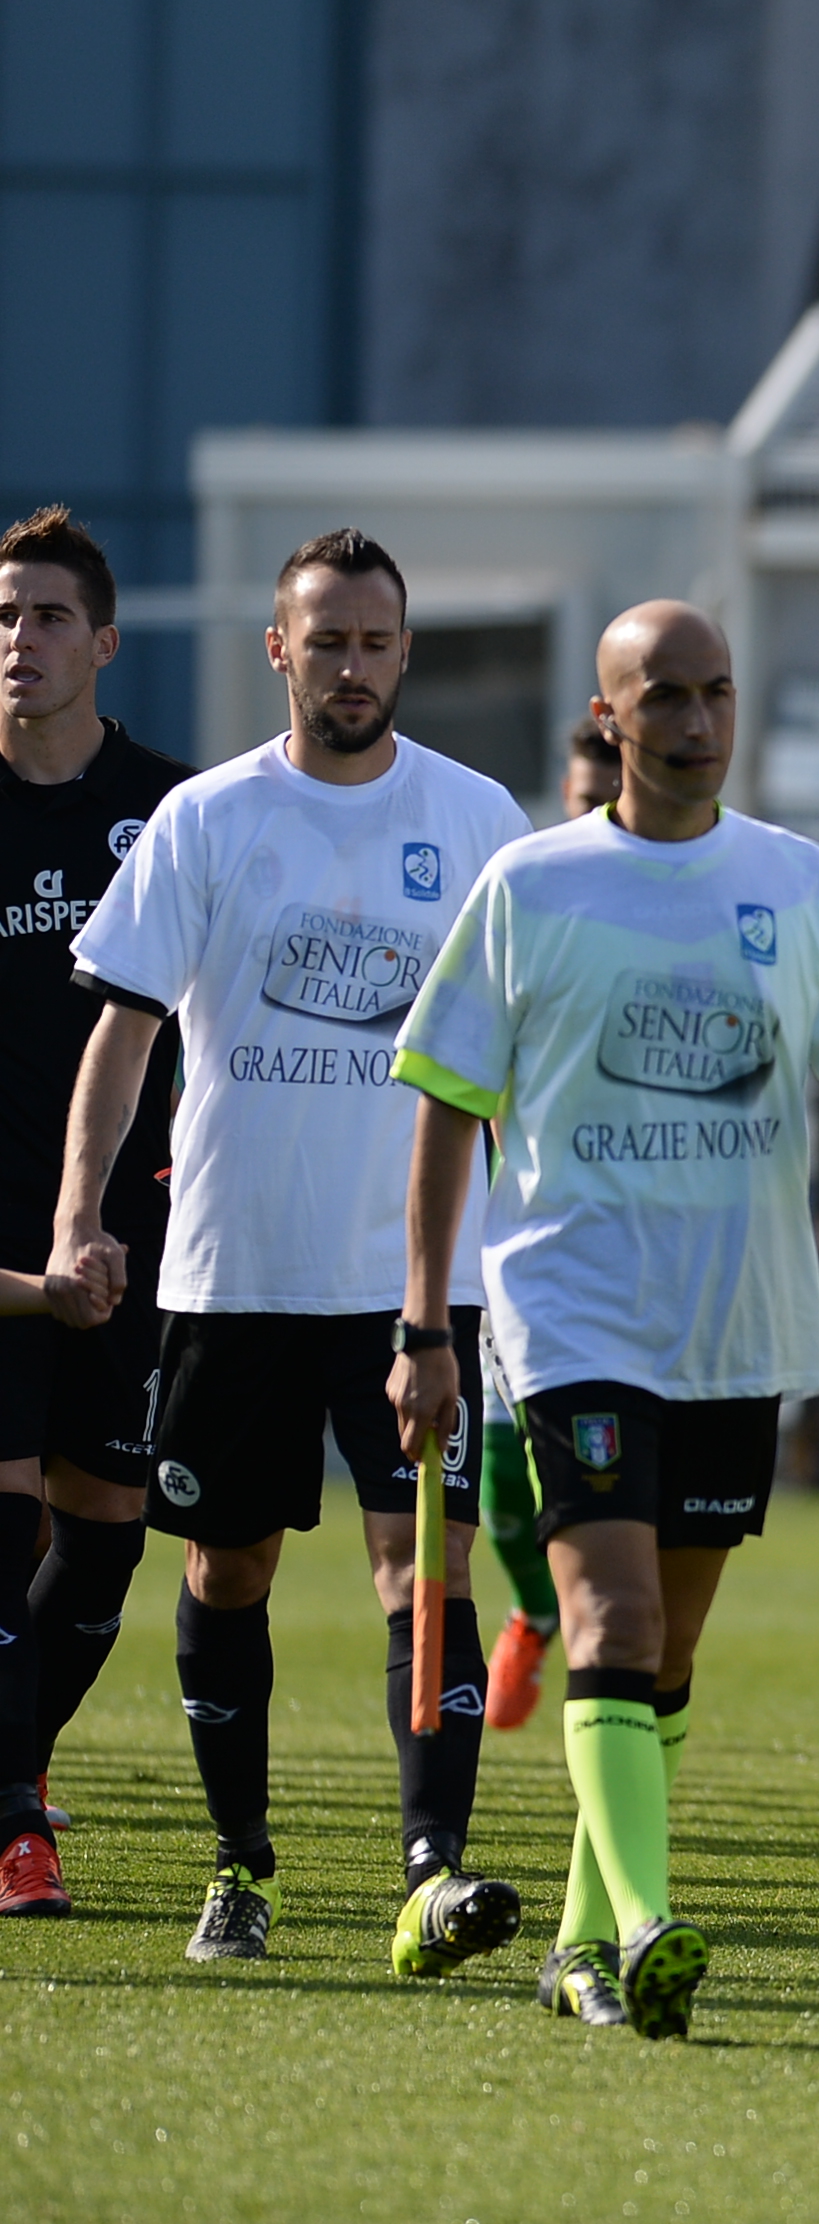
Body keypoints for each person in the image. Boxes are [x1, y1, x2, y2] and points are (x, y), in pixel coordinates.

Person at [391, 599, 819, 2038]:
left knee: (664, 1658)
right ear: (609, 718)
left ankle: (579, 1950)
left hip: (735, 1319)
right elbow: (447, 1111)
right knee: (608, 1619)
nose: (696, 723)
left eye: (717, 693)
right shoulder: (532, 882)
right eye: (665, 698)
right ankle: (647, 1919)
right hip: (571, 1310)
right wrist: (424, 1324)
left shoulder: (798, 882)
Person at [50, 529, 533, 1968]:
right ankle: (239, 1868)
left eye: (377, 642)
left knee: (423, 1570)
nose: (353, 667)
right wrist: (80, 1216)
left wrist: (517, 1261)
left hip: (413, 1288)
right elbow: (122, 1034)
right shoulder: (205, 820)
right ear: (280, 651)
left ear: (404, 652)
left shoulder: (478, 819)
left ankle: (432, 1870)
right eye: (326, 641)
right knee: (228, 1573)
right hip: (232, 1273)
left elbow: (525, 1051)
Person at [0, 506, 190, 1918]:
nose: (21, 642)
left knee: (107, 1530)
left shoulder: (173, 815)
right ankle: (18, 1827)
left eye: (50, 616)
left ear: (106, 643)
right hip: (3, 1250)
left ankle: (15, 1760)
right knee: (6, 1525)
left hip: (137, 1240)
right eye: (4, 619)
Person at [478, 721, 634, 1735]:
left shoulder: (683, 912)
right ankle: (538, 1611)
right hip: (521, 1238)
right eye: (581, 794)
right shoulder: (522, 900)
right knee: (499, 1491)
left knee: (620, 1495)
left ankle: (612, 1659)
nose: (593, 815)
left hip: (643, 1249)